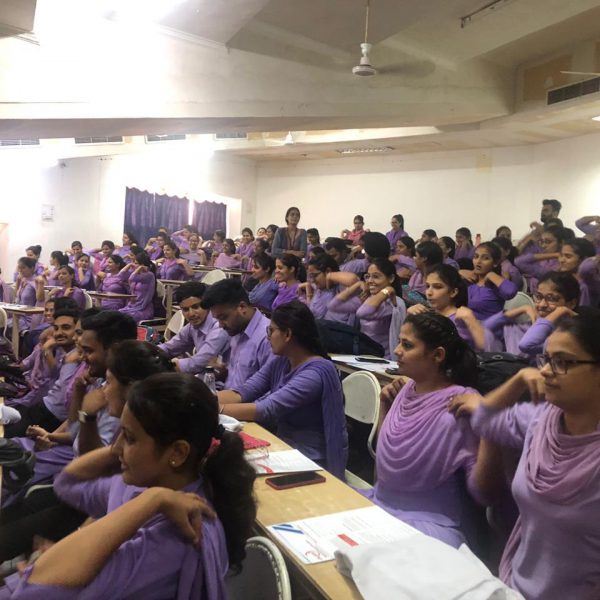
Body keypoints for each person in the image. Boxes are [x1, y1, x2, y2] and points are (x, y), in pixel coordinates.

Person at [0, 373, 257, 598]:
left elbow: (35, 589)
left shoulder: (175, 537)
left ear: (177, 452)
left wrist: (151, 501)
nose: (117, 447)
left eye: (130, 438)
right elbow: (68, 483)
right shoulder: (144, 486)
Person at [451, 310, 600, 600]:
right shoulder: (541, 419)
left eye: (563, 363)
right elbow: (484, 421)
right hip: (515, 585)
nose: (545, 371)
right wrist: (518, 379)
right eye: (547, 360)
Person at [363, 312, 481, 548]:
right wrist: (384, 407)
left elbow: (483, 491)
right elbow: (385, 459)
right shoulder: (406, 390)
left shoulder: (462, 404)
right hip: (381, 502)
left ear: (437, 355)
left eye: (407, 345)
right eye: (399, 342)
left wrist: (490, 424)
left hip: (428, 521)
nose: (397, 350)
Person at [218, 301, 347, 478]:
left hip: (312, 460)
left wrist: (212, 409)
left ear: (287, 334)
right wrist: (202, 398)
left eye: (271, 331)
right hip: (284, 448)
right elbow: (244, 392)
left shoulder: (316, 373)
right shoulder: (282, 361)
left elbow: (267, 409)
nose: (268, 337)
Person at [4, 308, 81, 438]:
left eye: (66, 328)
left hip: (50, 416)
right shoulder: (63, 352)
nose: (59, 333)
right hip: (42, 407)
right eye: (56, 328)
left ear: (78, 332)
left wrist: (52, 437)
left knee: (5, 434)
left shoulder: (79, 359)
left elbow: (53, 385)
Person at [200, 279, 272, 389]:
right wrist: (224, 375)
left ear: (242, 307)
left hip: (242, 404)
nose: (220, 325)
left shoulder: (268, 338)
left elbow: (270, 394)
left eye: (223, 317)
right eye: (217, 319)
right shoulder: (237, 330)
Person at [328, 258, 406, 358]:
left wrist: (387, 291)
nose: (370, 281)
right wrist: (357, 285)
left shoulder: (393, 303)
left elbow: (362, 313)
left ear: (390, 278)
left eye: (376, 277)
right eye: (367, 277)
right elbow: (333, 306)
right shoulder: (368, 299)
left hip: (384, 359)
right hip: (365, 356)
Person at [408, 264, 485, 351]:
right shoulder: (427, 314)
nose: (429, 292)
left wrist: (472, 321)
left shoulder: (461, 317)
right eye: (427, 286)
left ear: (453, 292)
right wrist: (410, 318)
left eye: (437, 287)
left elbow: (486, 348)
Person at [158, 282, 229, 374]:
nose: (191, 314)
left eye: (196, 307)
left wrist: (166, 365)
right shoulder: (192, 327)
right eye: (185, 309)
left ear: (207, 305)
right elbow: (169, 348)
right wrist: (147, 352)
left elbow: (198, 363)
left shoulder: (219, 327)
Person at [459, 242, 517, 321]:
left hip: (489, 329)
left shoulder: (495, 284)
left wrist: (491, 275)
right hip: (466, 329)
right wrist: (458, 272)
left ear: (495, 263)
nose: (478, 261)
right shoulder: (468, 280)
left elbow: (511, 292)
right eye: (476, 257)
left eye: (485, 258)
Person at [299, 254, 358, 320]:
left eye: (315, 275)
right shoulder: (319, 288)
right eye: (311, 276)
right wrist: (308, 290)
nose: (313, 280)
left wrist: (329, 275)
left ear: (327, 271)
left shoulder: (340, 287)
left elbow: (353, 280)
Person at [558, 237, 599, 306]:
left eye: (568, 256)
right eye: (561, 255)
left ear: (584, 259)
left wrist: (595, 258)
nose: (562, 260)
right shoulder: (563, 278)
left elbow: (586, 267)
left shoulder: (590, 282)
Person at [119, 251, 156, 322]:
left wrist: (140, 268)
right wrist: (129, 265)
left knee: (125, 318)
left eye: (135, 263)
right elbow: (121, 275)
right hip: (132, 306)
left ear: (142, 265)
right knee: (117, 314)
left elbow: (131, 278)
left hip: (143, 309)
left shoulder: (149, 275)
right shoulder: (137, 274)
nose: (134, 265)